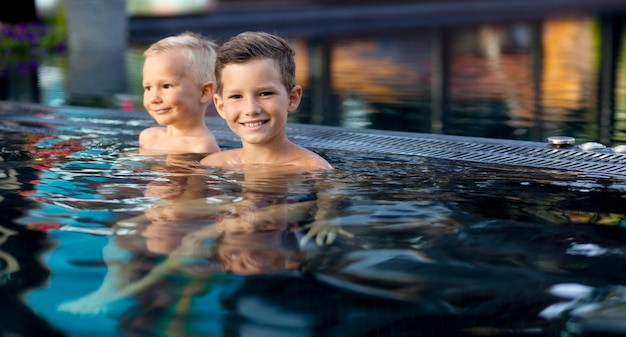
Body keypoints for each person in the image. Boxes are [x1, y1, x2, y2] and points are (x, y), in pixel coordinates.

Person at [199, 31, 330, 169]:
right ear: (221, 106)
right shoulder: (212, 164)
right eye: (236, 96)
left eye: (265, 94)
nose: (251, 109)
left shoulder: (314, 169)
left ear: (292, 99)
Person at [139, 31, 221, 155]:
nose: (154, 98)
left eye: (166, 86)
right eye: (148, 88)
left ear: (204, 92)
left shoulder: (201, 147)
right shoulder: (148, 137)